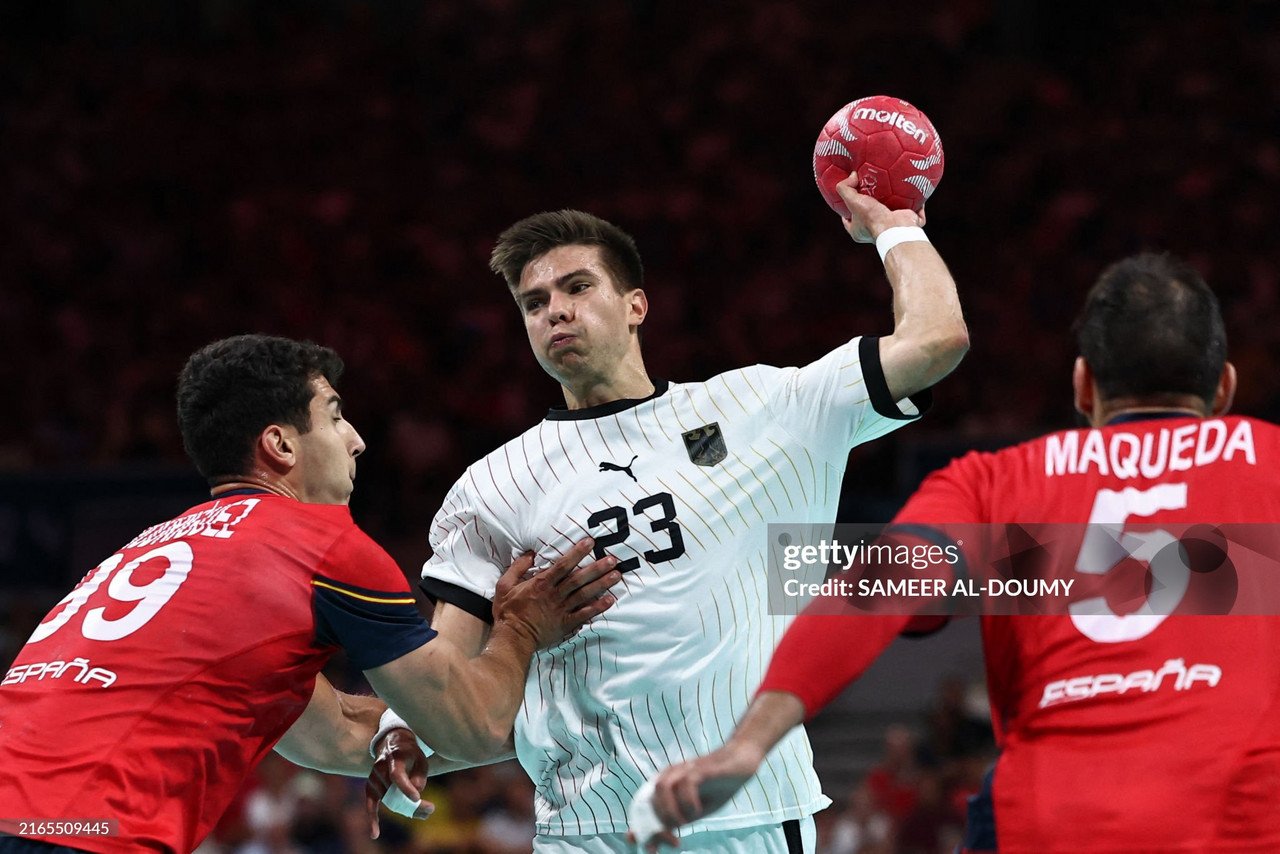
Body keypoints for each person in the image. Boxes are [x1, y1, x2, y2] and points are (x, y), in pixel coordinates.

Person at [382, 175, 969, 853]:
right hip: (583, 830)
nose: (555, 312)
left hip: (747, 818)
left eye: (577, 288)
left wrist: (897, 229)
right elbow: (446, 661)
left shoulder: (765, 407)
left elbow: (935, 338)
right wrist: (401, 729)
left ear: (636, 305)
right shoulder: (491, 486)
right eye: (533, 302)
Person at [639, 253, 1280, 852]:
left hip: (1051, 824)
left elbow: (878, 589)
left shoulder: (997, 482)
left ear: (1083, 386)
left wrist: (747, 747)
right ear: (1223, 388)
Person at [0, 334, 620, 853]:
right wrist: (522, 629)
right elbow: (474, 724)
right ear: (280, 444)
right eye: (334, 415)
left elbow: (336, 734)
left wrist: (403, 734)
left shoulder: (147, 551)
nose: (356, 440)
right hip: (79, 832)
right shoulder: (320, 544)